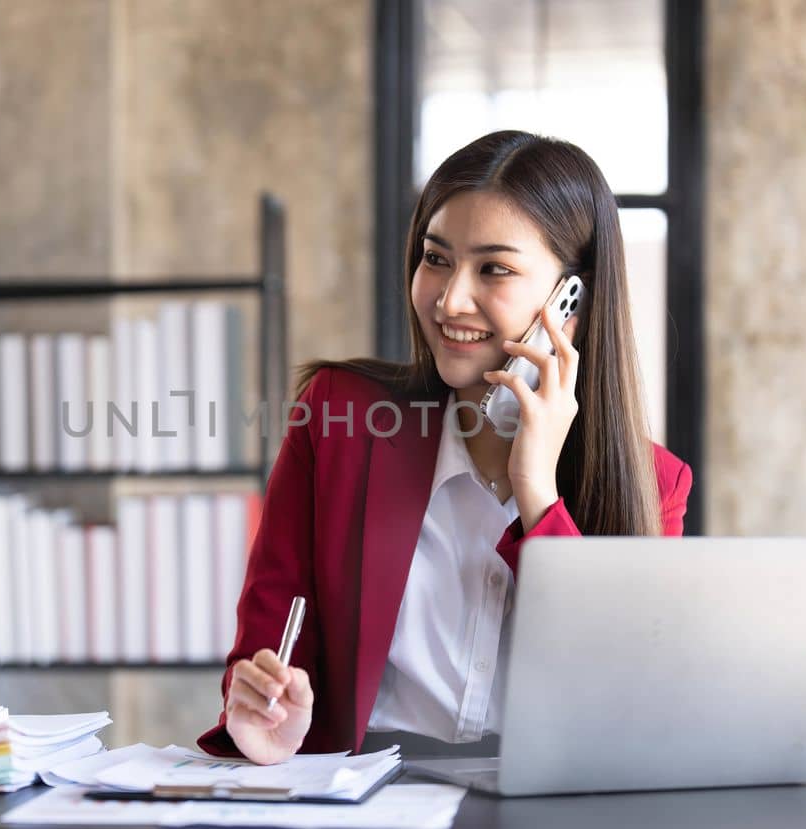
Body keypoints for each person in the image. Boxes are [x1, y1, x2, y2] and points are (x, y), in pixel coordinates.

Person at [197, 130, 693, 765]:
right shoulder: (339, 416)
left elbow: (624, 704)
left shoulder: (653, 482)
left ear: (572, 299)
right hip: (366, 800)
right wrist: (262, 719)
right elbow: (269, 654)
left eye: (494, 268)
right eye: (436, 259)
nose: (450, 299)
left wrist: (539, 494)